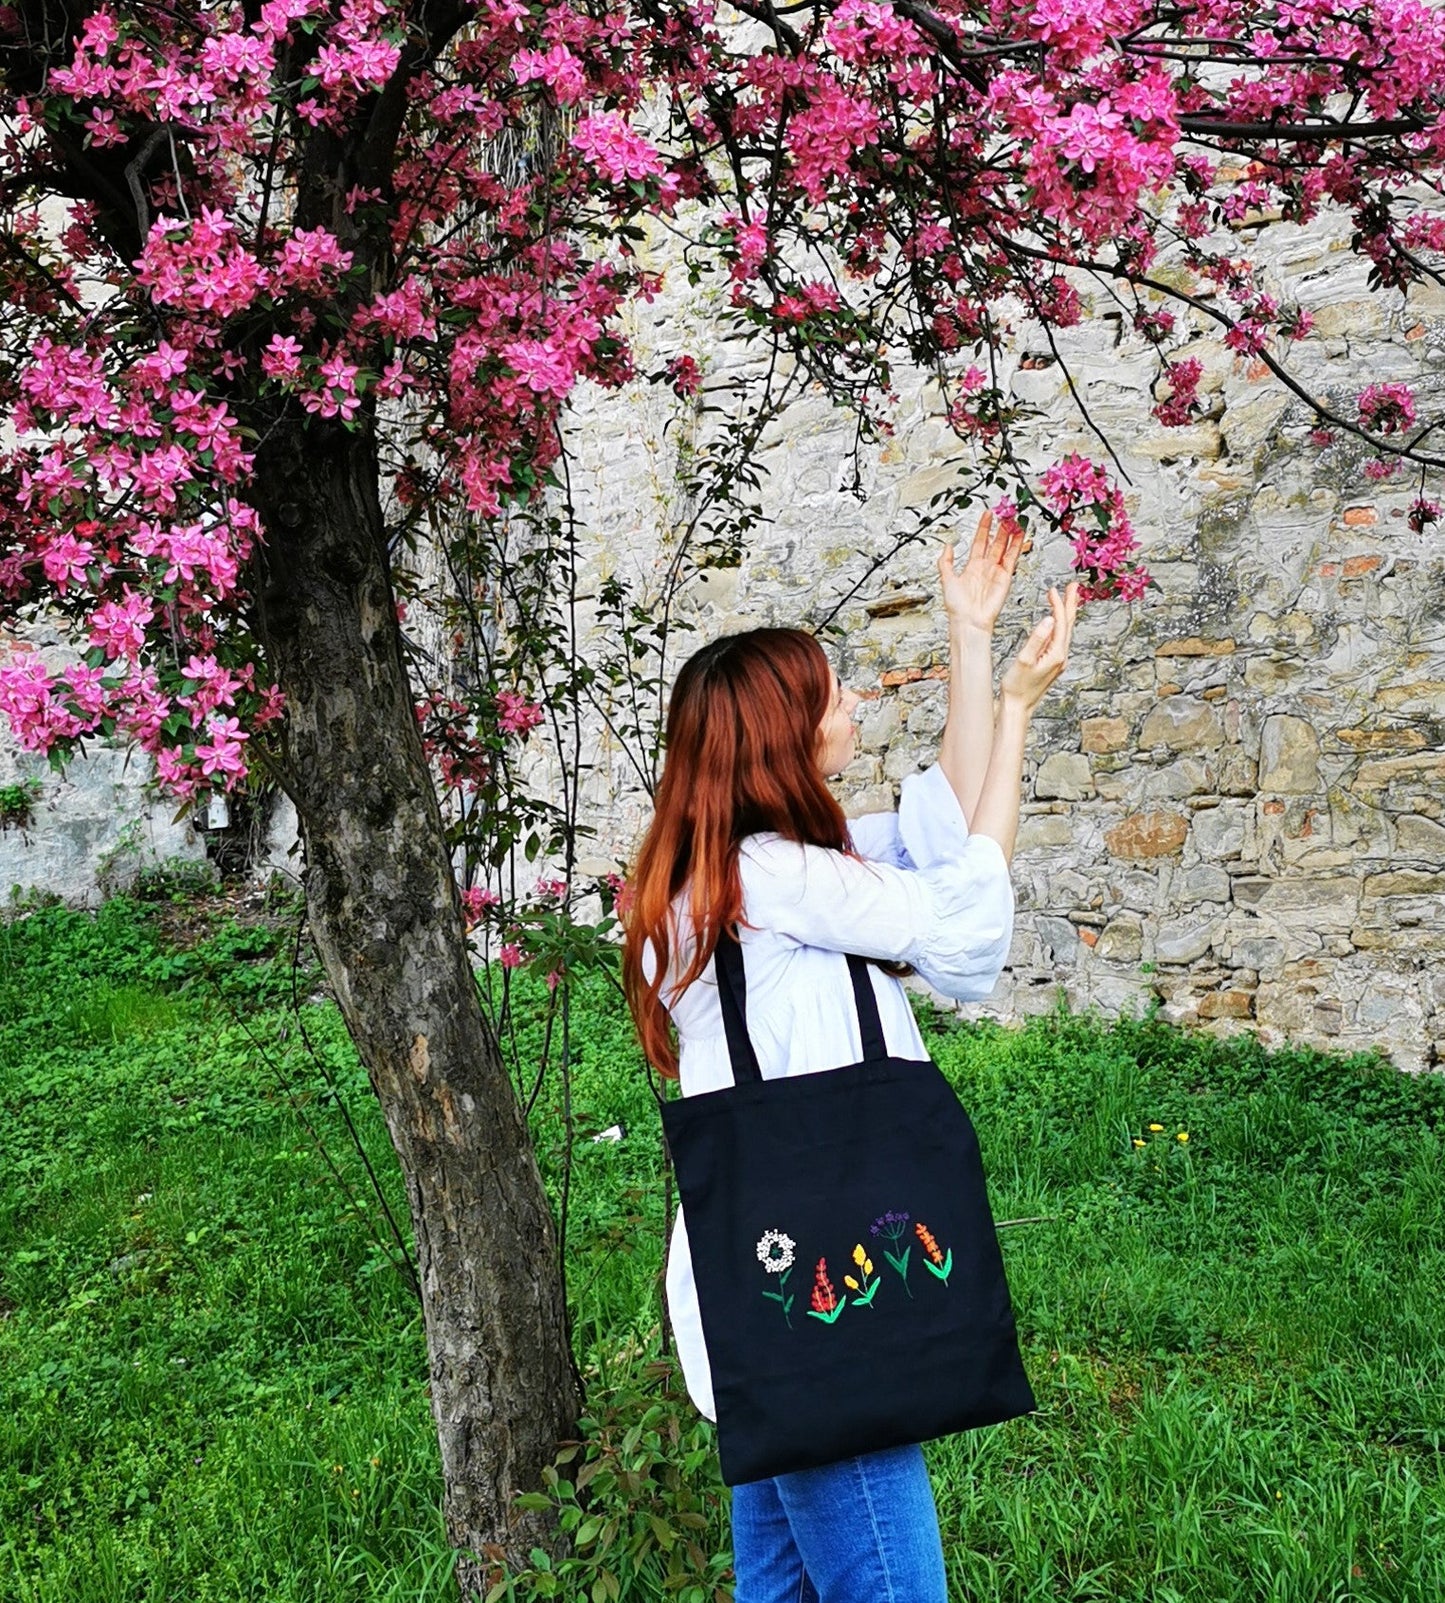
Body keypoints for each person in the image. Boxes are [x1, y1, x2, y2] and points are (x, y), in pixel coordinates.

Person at [622, 510, 1080, 1603]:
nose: (853, 705)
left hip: (758, 1293)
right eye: (832, 696)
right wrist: (1017, 713)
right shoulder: (775, 882)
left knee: (779, 1588)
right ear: (780, 736)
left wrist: (972, 639)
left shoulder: (740, 877)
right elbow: (963, 922)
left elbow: (940, 836)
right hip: (823, 1313)